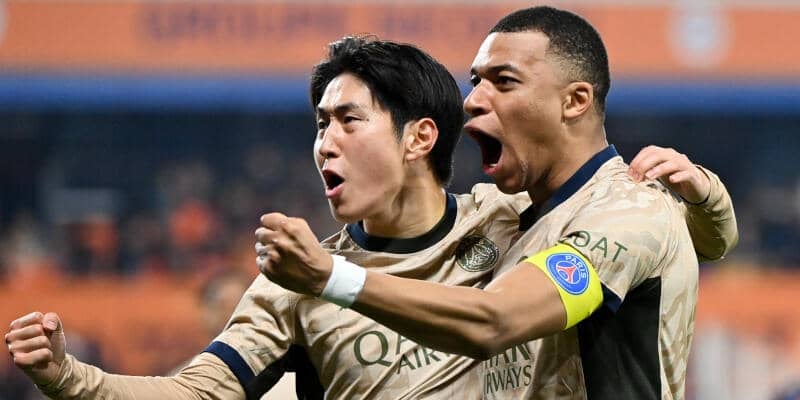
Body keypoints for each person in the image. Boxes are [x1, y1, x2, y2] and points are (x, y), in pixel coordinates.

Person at [6, 35, 734, 399]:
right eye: (319, 124)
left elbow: (666, 239)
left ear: (420, 137)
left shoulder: (506, 219)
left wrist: (704, 192)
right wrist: (73, 378)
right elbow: (196, 394)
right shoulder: (293, 285)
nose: (324, 142)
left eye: (348, 120)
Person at [255, 6, 738, 400]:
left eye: (503, 81)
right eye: (476, 80)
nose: (472, 99)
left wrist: (330, 278)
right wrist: (709, 199)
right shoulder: (507, 214)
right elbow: (713, 240)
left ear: (575, 101)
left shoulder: (626, 212)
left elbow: (495, 320)